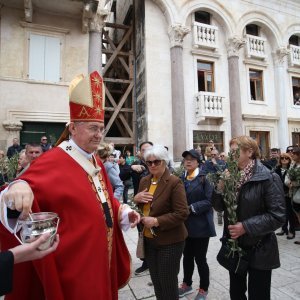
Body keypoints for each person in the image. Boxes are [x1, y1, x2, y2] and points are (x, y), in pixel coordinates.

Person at [0, 71, 140, 300]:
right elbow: (16, 194)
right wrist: (17, 186)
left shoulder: (95, 160)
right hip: (72, 267)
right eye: (93, 128)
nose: (99, 135)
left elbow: (102, 200)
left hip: (100, 259)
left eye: (101, 128)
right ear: (73, 128)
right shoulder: (53, 160)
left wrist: (122, 211)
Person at [212, 136, 285, 300]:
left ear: (249, 152)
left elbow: (278, 216)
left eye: (234, 152)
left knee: (258, 295)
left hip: (260, 248)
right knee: (236, 294)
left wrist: (245, 226)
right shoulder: (230, 175)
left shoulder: (269, 178)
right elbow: (218, 207)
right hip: (235, 248)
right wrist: (220, 186)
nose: (231, 156)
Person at [134, 145, 189, 300]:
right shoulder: (144, 181)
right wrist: (135, 200)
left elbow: (182, 213)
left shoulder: (174, 182)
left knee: (168, 283)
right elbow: (140, 207)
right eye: (148, 162)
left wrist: (157, 221)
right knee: (157, 282)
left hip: (170, 241)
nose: (152, 165)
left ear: (164, 162)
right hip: (149, 240)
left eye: (156, 162)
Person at [178, 149, 216, 300]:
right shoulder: (181, 178)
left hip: (201, 226)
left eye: (192, 159)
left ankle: (203, 289)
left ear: (198, 162)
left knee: (200, 259)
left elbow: (209, 200)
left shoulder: (205, 178)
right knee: (186, 256)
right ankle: (187, 284)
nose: (188, 161)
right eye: (186, 159)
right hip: (185, 226)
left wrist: (191, 208)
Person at [131, 141, 153, 276]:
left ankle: (154, 261)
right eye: (144, 150)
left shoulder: (159, 164)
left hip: (155, 206)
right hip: (140, 206)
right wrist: (131, 166)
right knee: (142, 234)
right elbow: (121, 174)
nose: (147, 152)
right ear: (140, 153)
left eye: (149, 149)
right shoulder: (137, 166)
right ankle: (146, 261)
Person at [275, 153, 296, 239]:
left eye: (286, 158)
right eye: (282, 158)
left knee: (290, 213)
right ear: (280, 160)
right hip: (279, 194)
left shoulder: (291, 169)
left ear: (289, 160)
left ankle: (292, 231)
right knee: (282, 212)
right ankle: (284, 229)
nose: (284, 159)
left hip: (289, 194)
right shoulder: (277, 169)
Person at [203, 149, 226, 225]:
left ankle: (219, 216)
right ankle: (209, 217)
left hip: (219, 184)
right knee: (209, 200)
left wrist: (215, 164)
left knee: (218, 199)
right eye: (211, 155)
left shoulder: (222, 162)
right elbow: (204, 171)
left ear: (218, 155)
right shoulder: (207, 162)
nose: (212, 156)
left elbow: (222, 172)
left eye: (214, 155)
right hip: (209, 184)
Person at [285, 147, 300, 245]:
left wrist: (293, 183)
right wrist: (288, 182)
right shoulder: (293, 165)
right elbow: (288, 175)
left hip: (298, 193)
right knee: (298, 216)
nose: (292, 155)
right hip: (294, 193)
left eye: (294, 153)